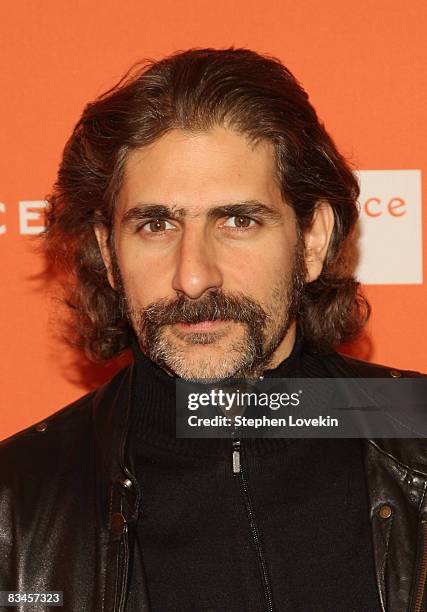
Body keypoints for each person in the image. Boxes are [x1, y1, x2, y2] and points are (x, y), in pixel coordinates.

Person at [0, 47, 425, 612]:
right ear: (107, 250)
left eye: (238, 221)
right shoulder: (17, 502)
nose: (194, 276)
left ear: (314, 240)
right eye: (155, 225)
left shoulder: (417, 430)